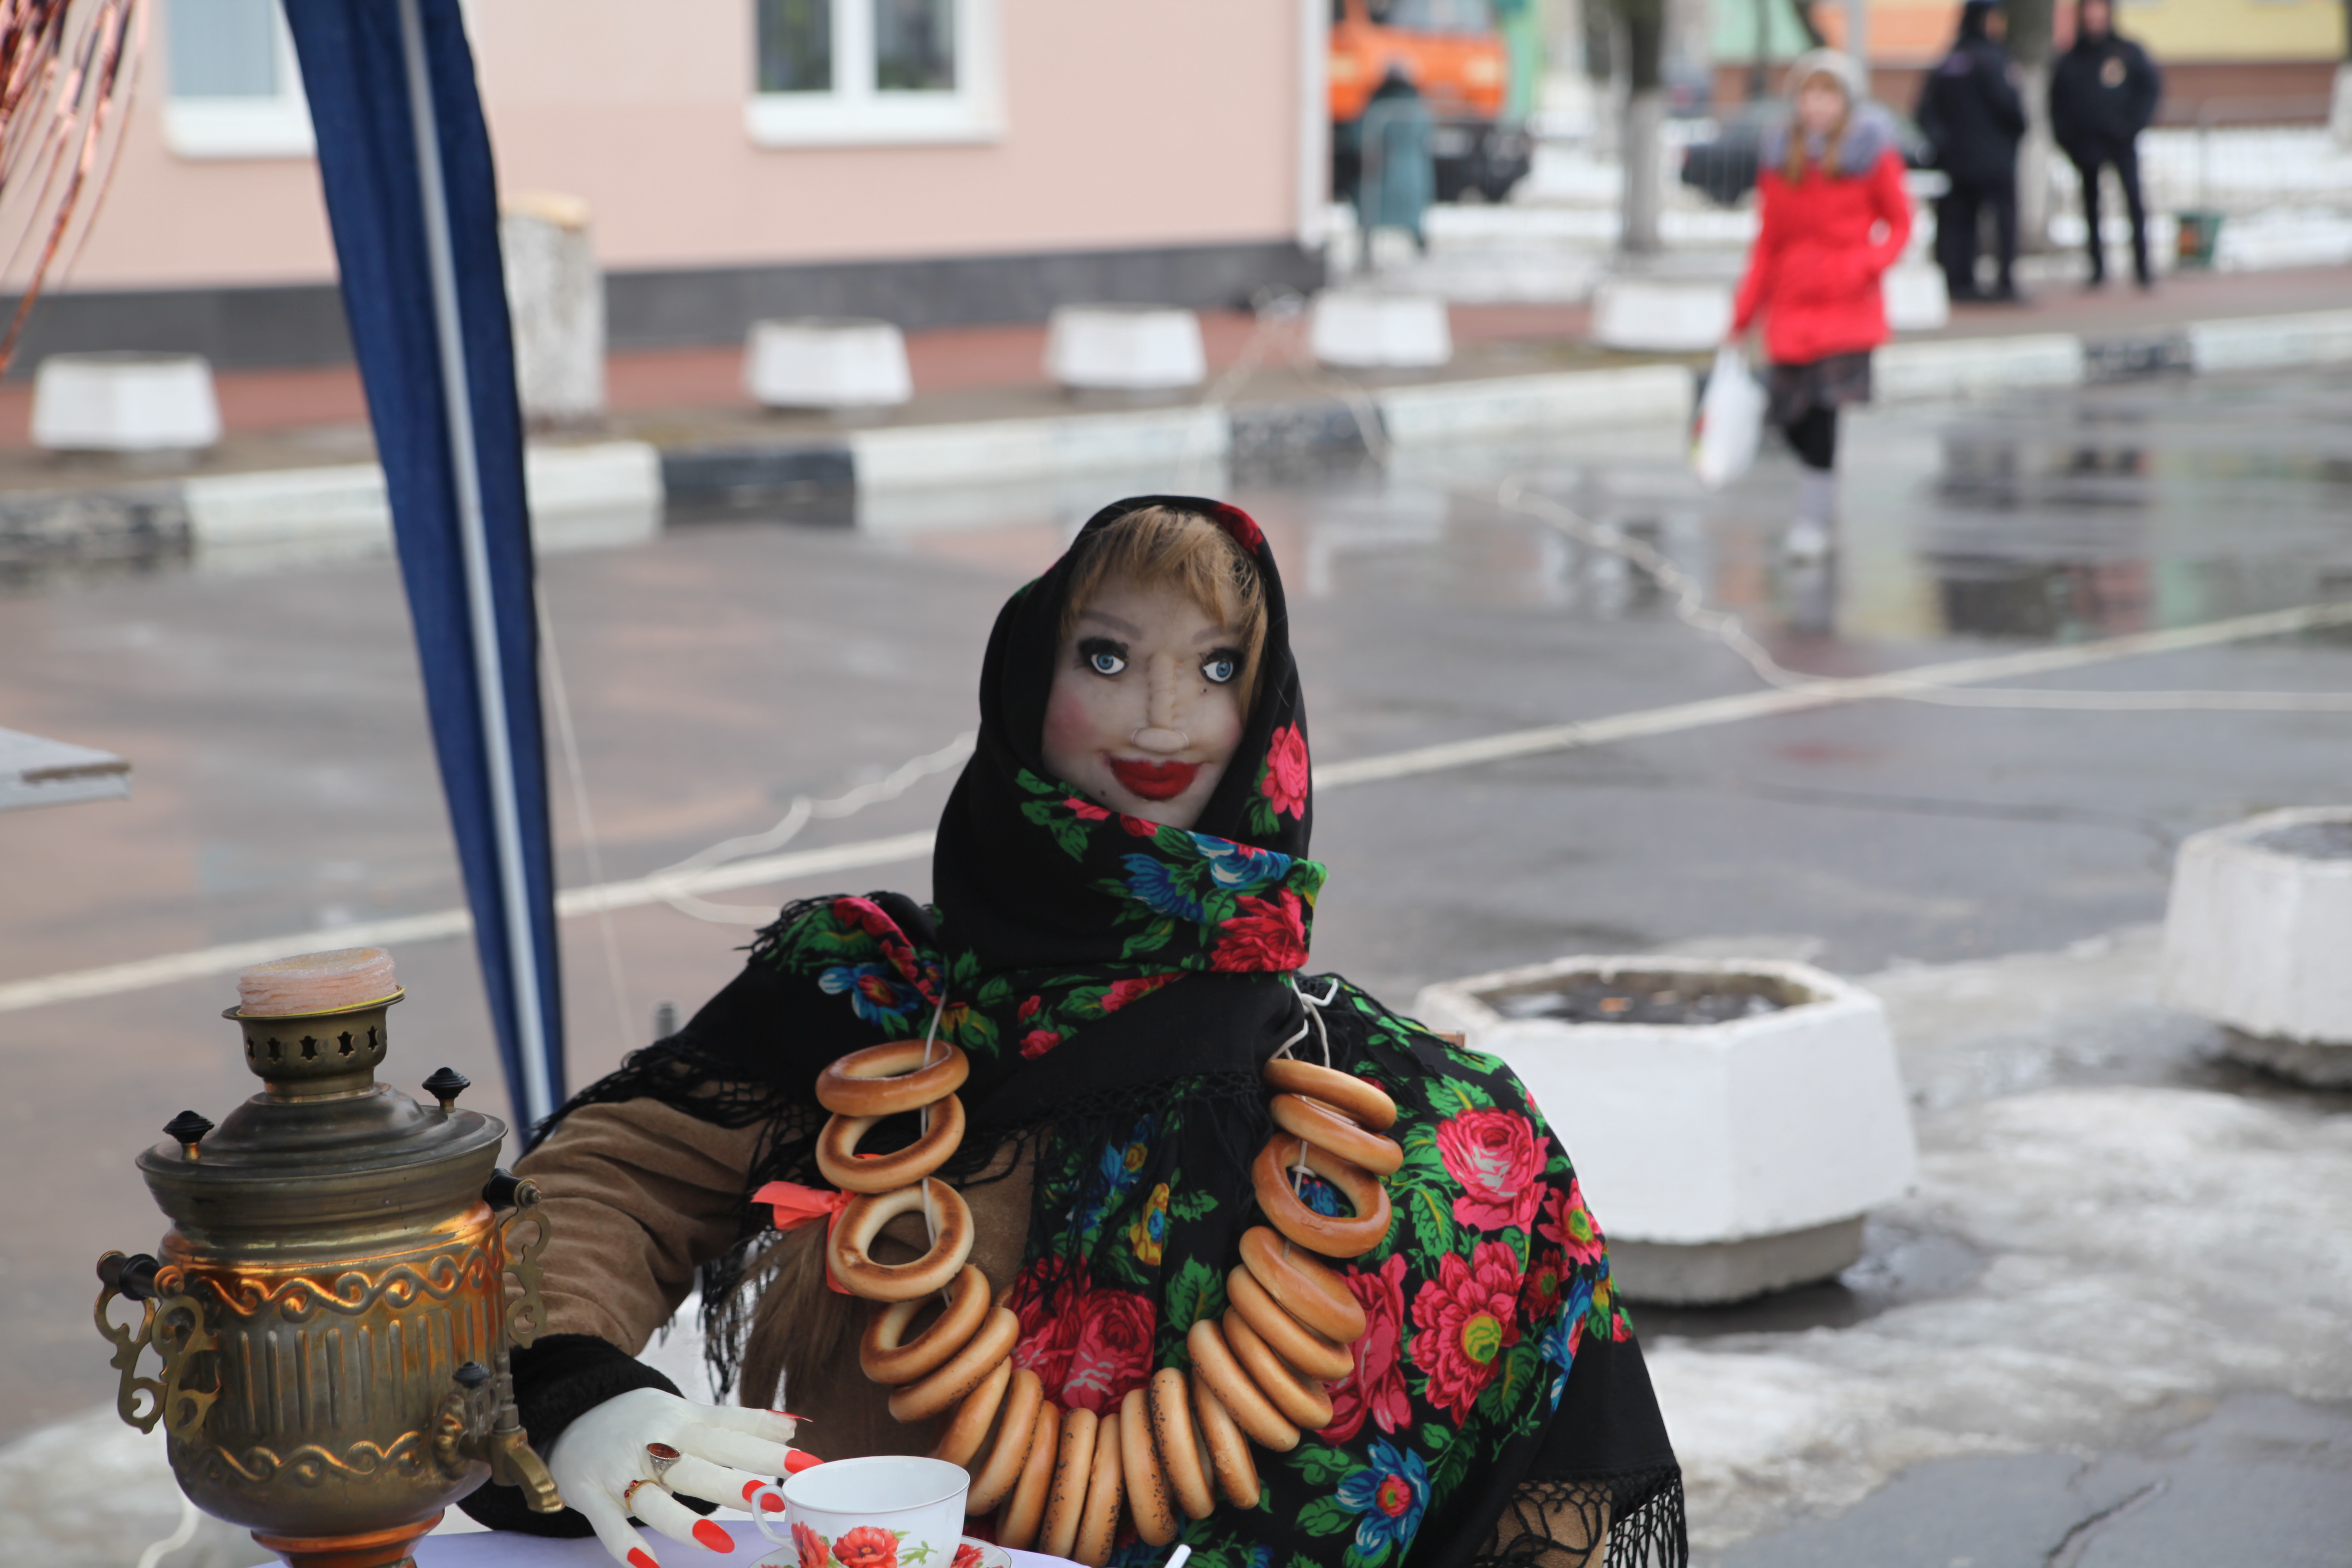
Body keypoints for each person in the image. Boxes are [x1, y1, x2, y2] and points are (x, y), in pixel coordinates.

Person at [461, 498, 1688, 1568]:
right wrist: (580, 1390)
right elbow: (607, 1185)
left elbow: (1552, 1462)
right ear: (1023, 684)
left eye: (1217, 667)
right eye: (1107, 656)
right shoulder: (866, 1001)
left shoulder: (1413, 1101)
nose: (1161, 715)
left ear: (1267, 712)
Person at [1728, 51, 1913, 560]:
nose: (1816, 105)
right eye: (1809, 94)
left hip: (1845, 306)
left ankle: (1812, 522)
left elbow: (1900, 223)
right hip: (1791, 305)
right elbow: (1768, 241)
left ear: (1846, 102)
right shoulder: (1779, 154)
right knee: (1787, 416)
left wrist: (1865, 266)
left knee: (1824, 413)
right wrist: (1744, 313)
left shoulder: (1870, 153)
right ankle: (1821, 501)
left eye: (1827, 94)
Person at [1917, 0, 2027, 303]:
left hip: (1956, 160)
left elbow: (1925, 112)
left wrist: (1944, 144)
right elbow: (2010, 107)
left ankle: (1959, 282)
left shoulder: (1948, 61)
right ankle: (2005, 282)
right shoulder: (1993, 60)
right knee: (2003, 221)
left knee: (1958, 223)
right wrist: (2016, 133)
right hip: (1995, 158)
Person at [2050, 0, 2161, 289]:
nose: (2094, 18)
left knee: (2133, 200)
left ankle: (2142, 266)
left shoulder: (2127, 52)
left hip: (2121, 142)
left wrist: (2130, 125)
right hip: (2086, 144)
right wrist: (2068, 139)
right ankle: (2097, 266)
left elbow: (2149, 90)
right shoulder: (2072, 57)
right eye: (2090, 13)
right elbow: (2057, 102)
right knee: (2091, 205)